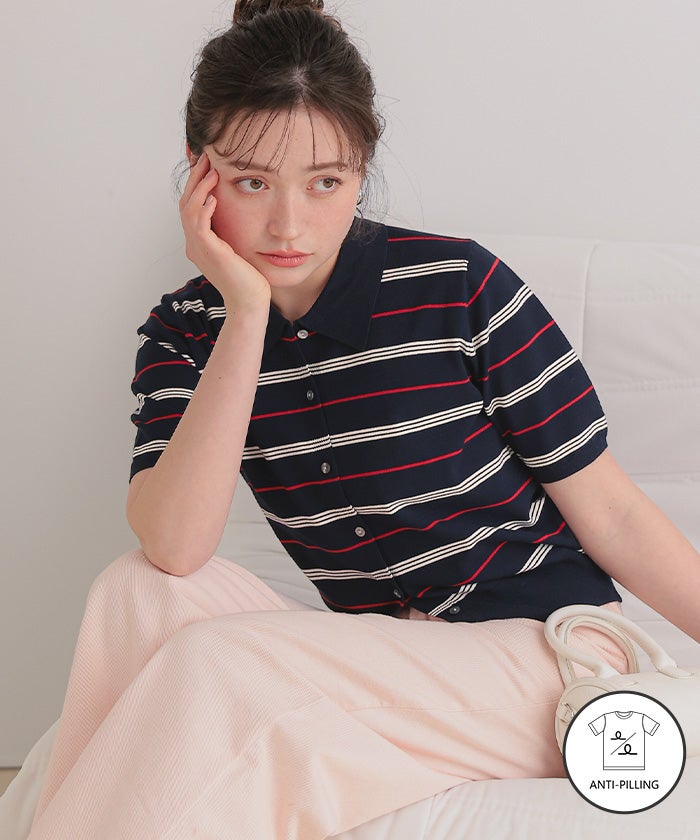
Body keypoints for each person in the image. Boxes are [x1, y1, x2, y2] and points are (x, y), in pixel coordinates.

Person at [28, 1, 700, 837]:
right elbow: (176, 547)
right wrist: (246, 314)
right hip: (387, 661)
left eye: (325, 182)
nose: (288, 224)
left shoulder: (460, 285)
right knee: (134, 593)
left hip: (545, 656)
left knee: (217, 663)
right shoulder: (187, 329)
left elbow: (618, 514)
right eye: (251, 182)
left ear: (361, 170)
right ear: (199, 175)